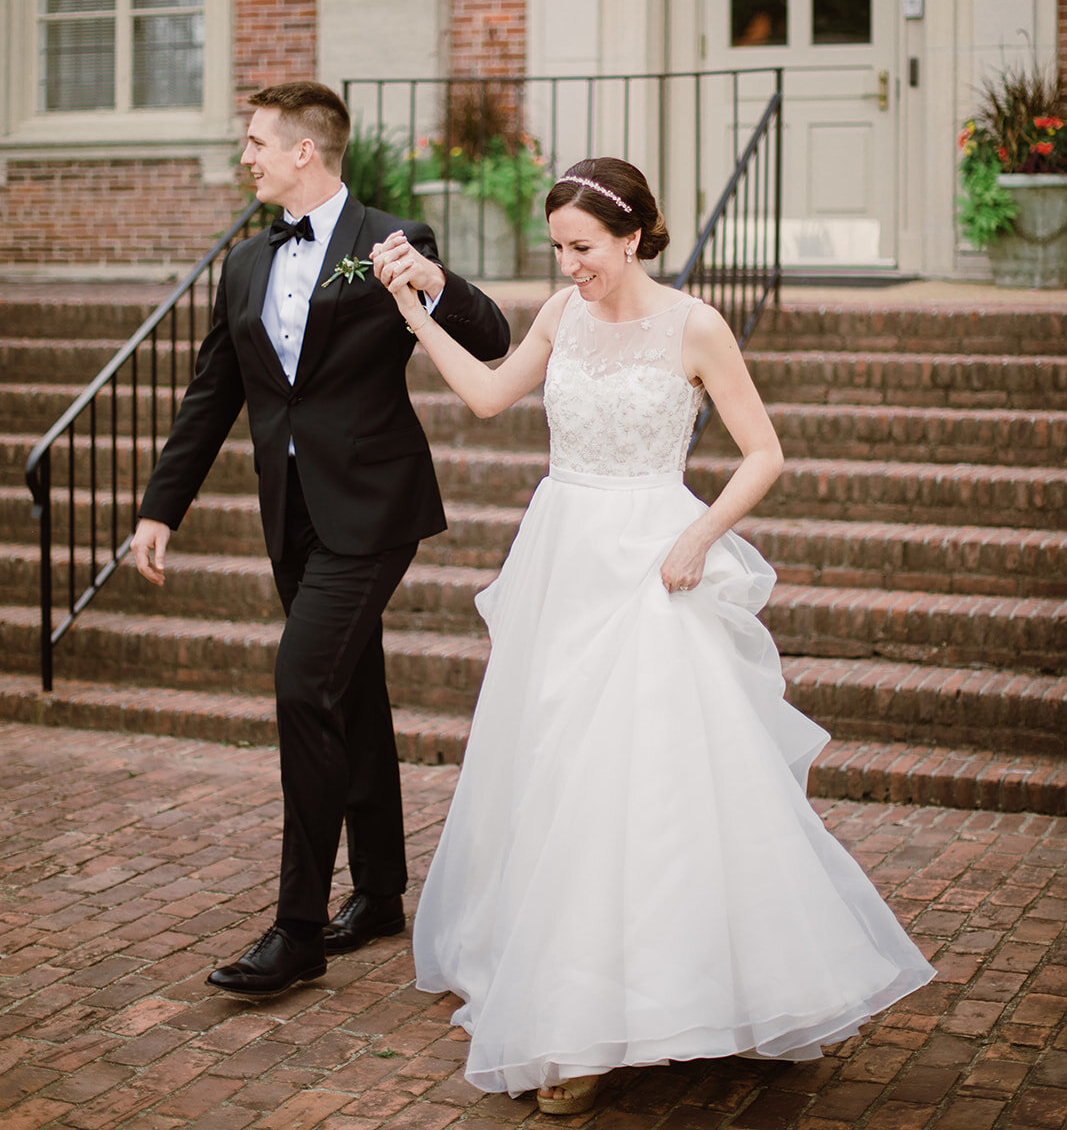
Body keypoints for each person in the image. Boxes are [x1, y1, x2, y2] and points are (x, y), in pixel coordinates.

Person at [372, 155, 934, 1116]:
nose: (570, 265)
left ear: (632, 235)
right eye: (557, 249)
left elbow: (764, 453)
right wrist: (417, 314)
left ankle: (682, 1004)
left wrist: (698, 535)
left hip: (652, 562)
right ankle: (570, 1008)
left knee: (654, 785)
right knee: (557, 771)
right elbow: (485, 396)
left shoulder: (696, 326)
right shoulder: (559, 315)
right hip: (563, 560)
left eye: (582, 247)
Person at [130, 82, 510, 999]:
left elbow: (492, 336)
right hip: (291, 511)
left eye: (257, 142)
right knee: (350, 688)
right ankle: (379, 892)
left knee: (304, 685)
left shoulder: (391, 237)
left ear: (306, 151)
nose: (247, 157)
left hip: (373, 508)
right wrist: (159, 508)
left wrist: (431, 280)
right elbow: (211, 394)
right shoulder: (246, 265)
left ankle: (296, 927)